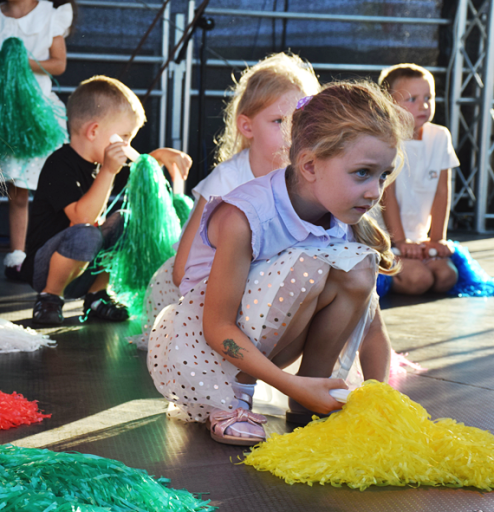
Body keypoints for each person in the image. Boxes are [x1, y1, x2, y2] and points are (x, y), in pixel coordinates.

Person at [148, 82, 413, 446]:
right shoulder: (247, 216)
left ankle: (309, 398)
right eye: (362, 173)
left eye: (383, 175)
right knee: (312, 266)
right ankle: (237, 395)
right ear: (309, 165)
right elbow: (216, 327)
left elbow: (371, 321)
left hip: (266, 339)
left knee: (359, 268)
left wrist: (379, 398)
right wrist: (290, 383)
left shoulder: (344, 215)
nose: (374, 191)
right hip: (204, 351)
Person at [139, 53, 320, 345]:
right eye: (278, 121)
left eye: (301, 121)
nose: (292, 134)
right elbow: (182, 270)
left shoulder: (307, 177)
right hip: (208, 296)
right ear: (247, 127)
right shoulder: (225, 182)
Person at [23, 75, 191, 325]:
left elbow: (139, 168)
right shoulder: (59, 165)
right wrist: (109, 172)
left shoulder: (102, 164)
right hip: (44, 268)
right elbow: (83, 218)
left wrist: (157, 157)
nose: (127, 146)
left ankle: (97, 295)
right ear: (93, 131)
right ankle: (49, 298)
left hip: (84, 266)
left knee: (126, 222)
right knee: (87, 232)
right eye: (124, 137)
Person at [0, 0, 75, 278]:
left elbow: (58, 63)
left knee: (20, 191)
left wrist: (20, 63)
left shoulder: (50, 16)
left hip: (32, 116)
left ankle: (17, 256)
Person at [377, 63, 459, 295]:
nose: (423, 105)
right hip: (389, 234)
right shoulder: (386, 139)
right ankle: (386, 268)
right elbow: (387, 195)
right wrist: (400, 242)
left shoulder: (440, 136)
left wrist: (437, 239)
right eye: (411, 99)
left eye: (428, 97)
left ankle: (417, 253)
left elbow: (442, 192)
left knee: (447, 276)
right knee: (418, 281)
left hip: (418, 236)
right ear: (388, 103)